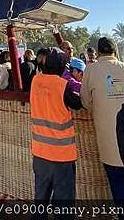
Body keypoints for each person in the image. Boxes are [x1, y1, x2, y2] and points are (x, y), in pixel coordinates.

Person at [81, 37, 124, 209]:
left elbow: (85, 101)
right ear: (115, 51)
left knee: (120, 190)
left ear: (98, 51)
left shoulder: (91, 71)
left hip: (109, 144)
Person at [30, 47, 82, 215]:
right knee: (63, 206)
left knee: (40, 202)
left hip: (40, 153)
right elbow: (78, 104)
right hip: (61, 155)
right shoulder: (62, 85)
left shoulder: (35, 81)